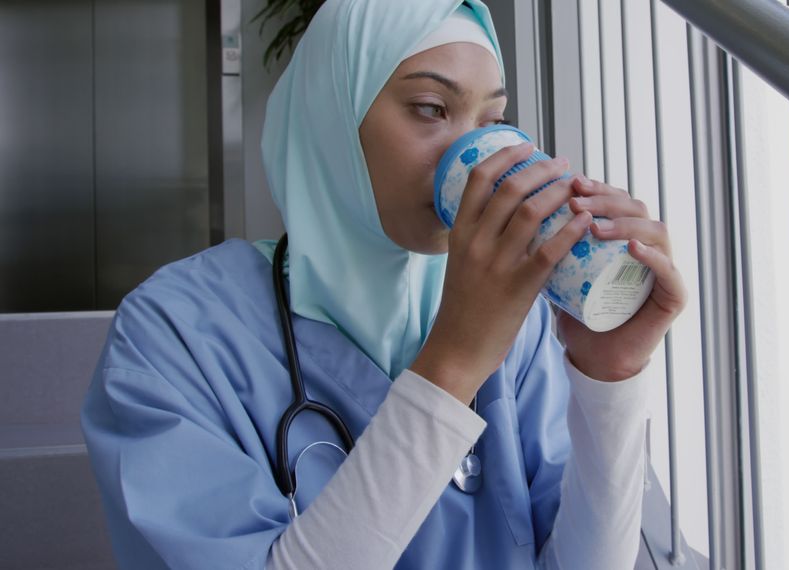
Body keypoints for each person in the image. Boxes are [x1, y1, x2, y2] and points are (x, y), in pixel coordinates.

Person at [80, 0, 686, 568]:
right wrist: (454, 363)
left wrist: (609, 378)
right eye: (430, 108)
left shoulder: (522, 324)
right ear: (334, 117)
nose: (478, 154)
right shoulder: (174, 335)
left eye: (494, 120)